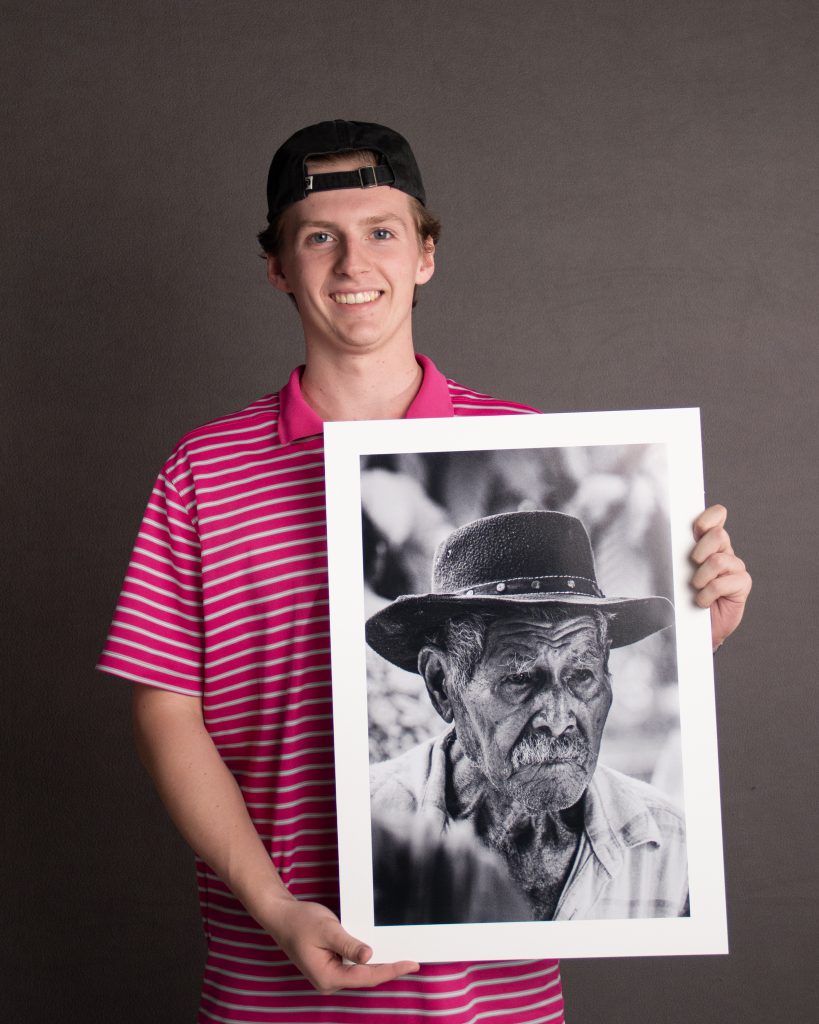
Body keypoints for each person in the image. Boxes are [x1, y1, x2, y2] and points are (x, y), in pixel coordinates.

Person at [98, 120, 752, 1023]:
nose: (351, 260)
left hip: (491, 1003)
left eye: (381, 231)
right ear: (278, 267)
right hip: (270, 986)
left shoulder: (522, 437)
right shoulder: (205, 471)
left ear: (425, 255)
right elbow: (165, 709)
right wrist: (276, 907)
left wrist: (695, 624)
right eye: (318, 236)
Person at [368, 509, 687, 923]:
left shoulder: (667, 843)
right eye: (520, 679)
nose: (557, 718)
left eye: (581, 675)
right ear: (441, 683)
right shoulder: (369, 830)